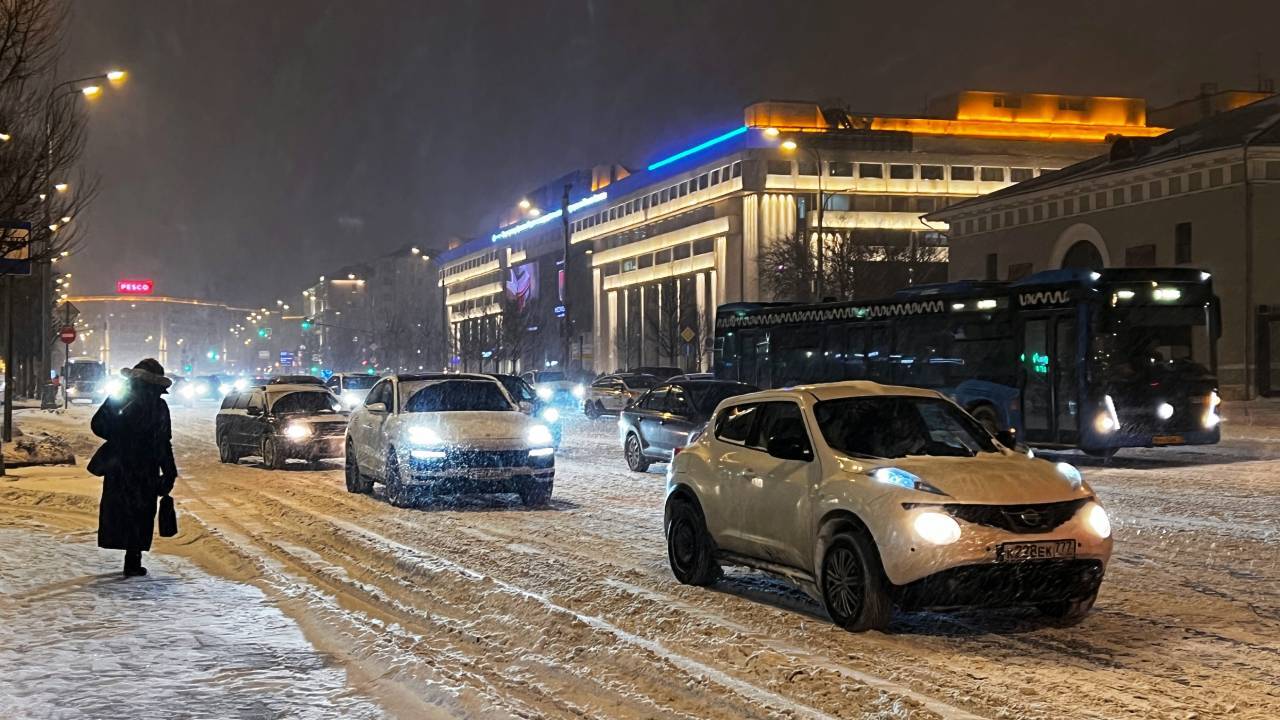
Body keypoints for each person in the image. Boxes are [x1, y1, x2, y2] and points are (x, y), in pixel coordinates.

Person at [91, 358, 178, 577]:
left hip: (119, 464)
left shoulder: (121, 399)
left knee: (121, 508)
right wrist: (169, 471)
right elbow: (163, 442)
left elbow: (99, 425)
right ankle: (133, 559)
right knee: (141, 512)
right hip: (146, 467)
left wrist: (120, 435)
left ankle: (131, 557)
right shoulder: (159, 406)